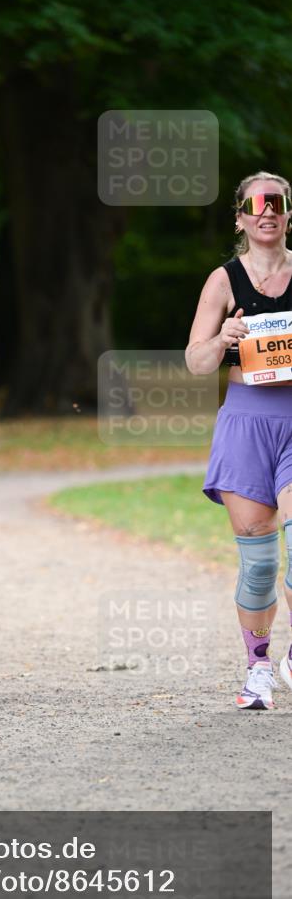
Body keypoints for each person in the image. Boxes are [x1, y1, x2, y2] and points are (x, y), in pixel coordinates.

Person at [186, 171, 292, 710]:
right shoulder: (223, 281)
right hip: (247, 423)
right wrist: (223, 337)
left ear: (289, 213)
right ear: (239, 219)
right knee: (259, 565)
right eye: (255, 204)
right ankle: (258, 667)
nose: (266, 211)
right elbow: (195, 360)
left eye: (276, 202)